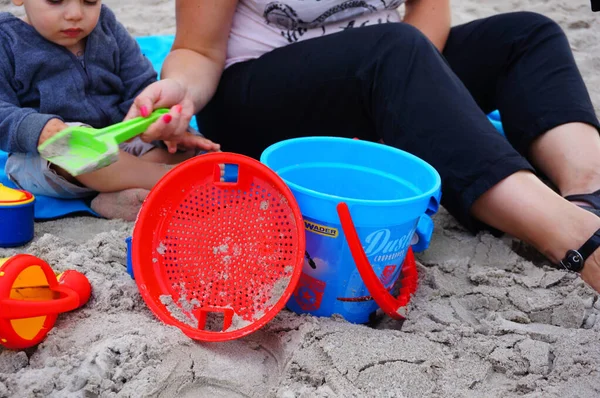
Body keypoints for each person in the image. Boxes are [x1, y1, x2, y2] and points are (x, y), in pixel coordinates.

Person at [128, 0, 600, 293]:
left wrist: (412, 102)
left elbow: (428, 28)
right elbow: (200, 50)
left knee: (526, 35)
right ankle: (570, 234)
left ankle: (587, 194)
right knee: (395, 47)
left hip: (385, 71)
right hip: (258, 96)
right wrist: (181, 91)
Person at [0, 0, 219, 221]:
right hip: (45, 157)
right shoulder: (7, 41)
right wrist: (37, 128)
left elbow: (140, 86)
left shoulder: (106, 26)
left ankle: (115, 196)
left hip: (118, 144)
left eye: (90, 1)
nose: (75, 14)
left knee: (183, 145)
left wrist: (160, 126)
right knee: (72, 144)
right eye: (56, 0)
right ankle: (174, 180)